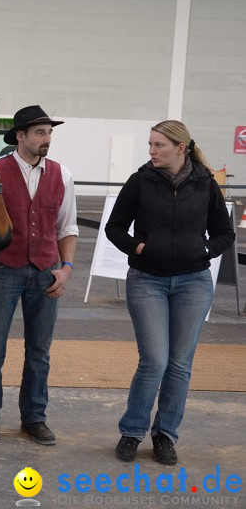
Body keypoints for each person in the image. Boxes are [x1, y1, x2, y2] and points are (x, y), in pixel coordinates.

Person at [105, 120, 234, 466]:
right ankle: (132, 432)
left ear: (181, 148)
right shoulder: (140, 181)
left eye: (158, 145)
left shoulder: (205, 184)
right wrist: (139, 249)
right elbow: (114, 227)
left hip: (194, 283)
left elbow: (225, 232)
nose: (152, 151)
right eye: (150, 145)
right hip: (147, 280)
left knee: (179, 365)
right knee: (155, 361)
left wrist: (205, 251)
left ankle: (165, 435)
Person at [0, 105, 79, 446]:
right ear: (20, 136)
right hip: (5, 268)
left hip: (46, 271)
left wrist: (66, 270)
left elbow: (67, 228)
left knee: (40, 351)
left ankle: (34, 417)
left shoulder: (62, 175)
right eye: (40, 132)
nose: (47, 138)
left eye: (49, 132)